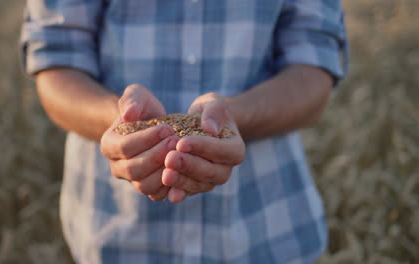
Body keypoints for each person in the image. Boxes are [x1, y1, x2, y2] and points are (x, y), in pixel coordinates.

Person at [21, 0, 347, 263]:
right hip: (115, 233)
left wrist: (232, 116)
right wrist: (122, 121)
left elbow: (313, 69)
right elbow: (56, 63)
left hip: (266, 231)